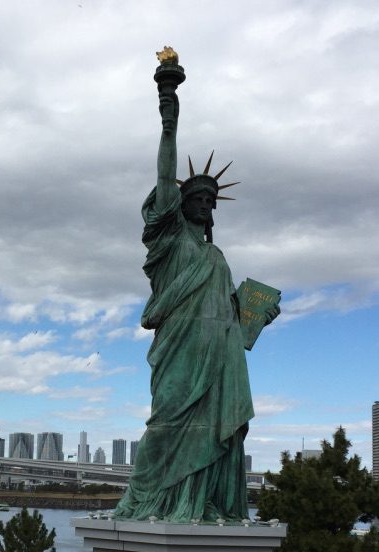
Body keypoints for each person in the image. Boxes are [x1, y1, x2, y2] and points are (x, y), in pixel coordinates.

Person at [114, 75, 279, 523]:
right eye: (198, 197)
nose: (206, 203)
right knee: (165, 425)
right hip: (180, 350)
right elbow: (164, 175)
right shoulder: (168, 240)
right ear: (180, 204)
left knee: (214, 433)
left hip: (219, 357)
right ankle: (149, 500)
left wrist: (257, 316)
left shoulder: (216, 255)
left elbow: (231, 312)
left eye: (211, 199)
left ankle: (201, 500)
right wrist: (169, 115)